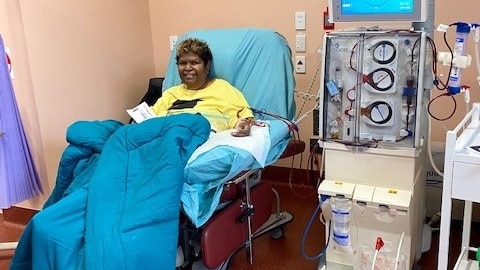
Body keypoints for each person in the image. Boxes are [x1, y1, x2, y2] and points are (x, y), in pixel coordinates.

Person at [150, 37, 254, 137]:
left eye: (194, 63)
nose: (187, 68)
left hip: (198, 135)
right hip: (165, 133)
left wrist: (243, 125)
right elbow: (148, 119)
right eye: (182, 63)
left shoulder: (222, 89)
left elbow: (242, 118)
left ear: (207, 65)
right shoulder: (170, 93)